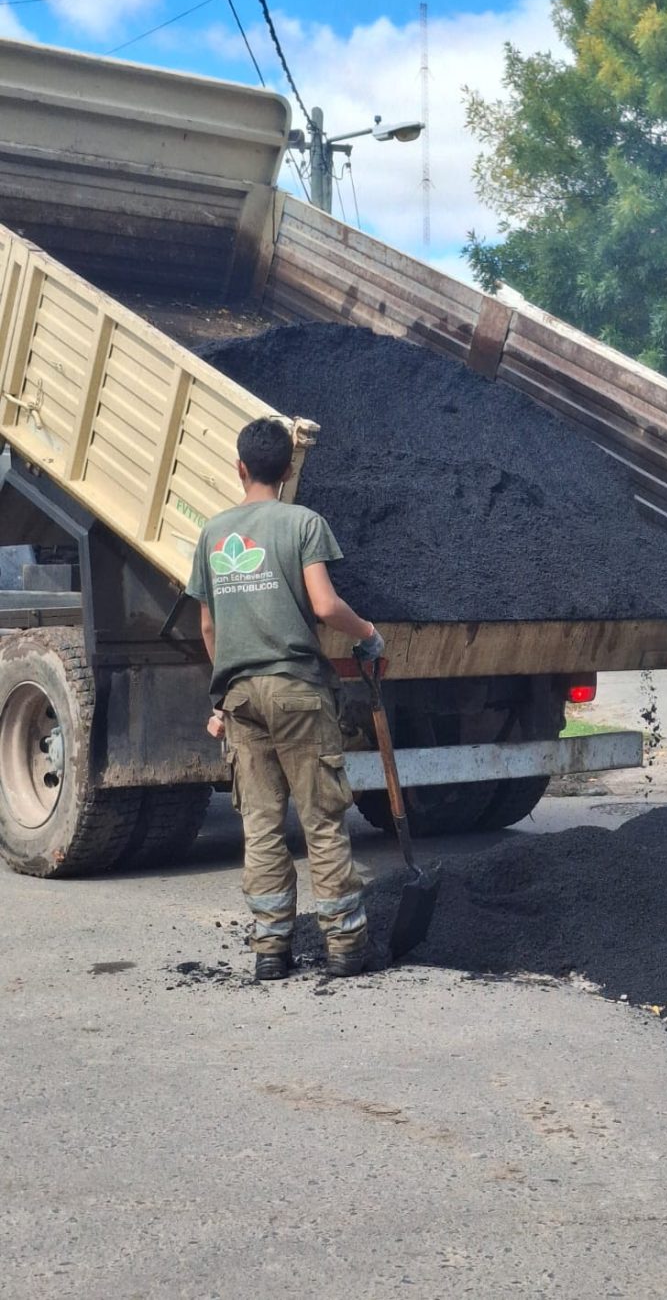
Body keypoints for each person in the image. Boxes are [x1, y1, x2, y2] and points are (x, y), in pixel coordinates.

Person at [186, 417, 385, 980]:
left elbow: (207, 626)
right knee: (322, 820)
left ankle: (271, 951)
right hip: (299, 693)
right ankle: (345, 946)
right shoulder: (303, 523)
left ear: (240, 468)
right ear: (290, 468)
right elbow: (324, 607)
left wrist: (223, 693)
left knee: (263, 825)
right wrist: (367, 633)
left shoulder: (214, 533)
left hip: (242, 697)